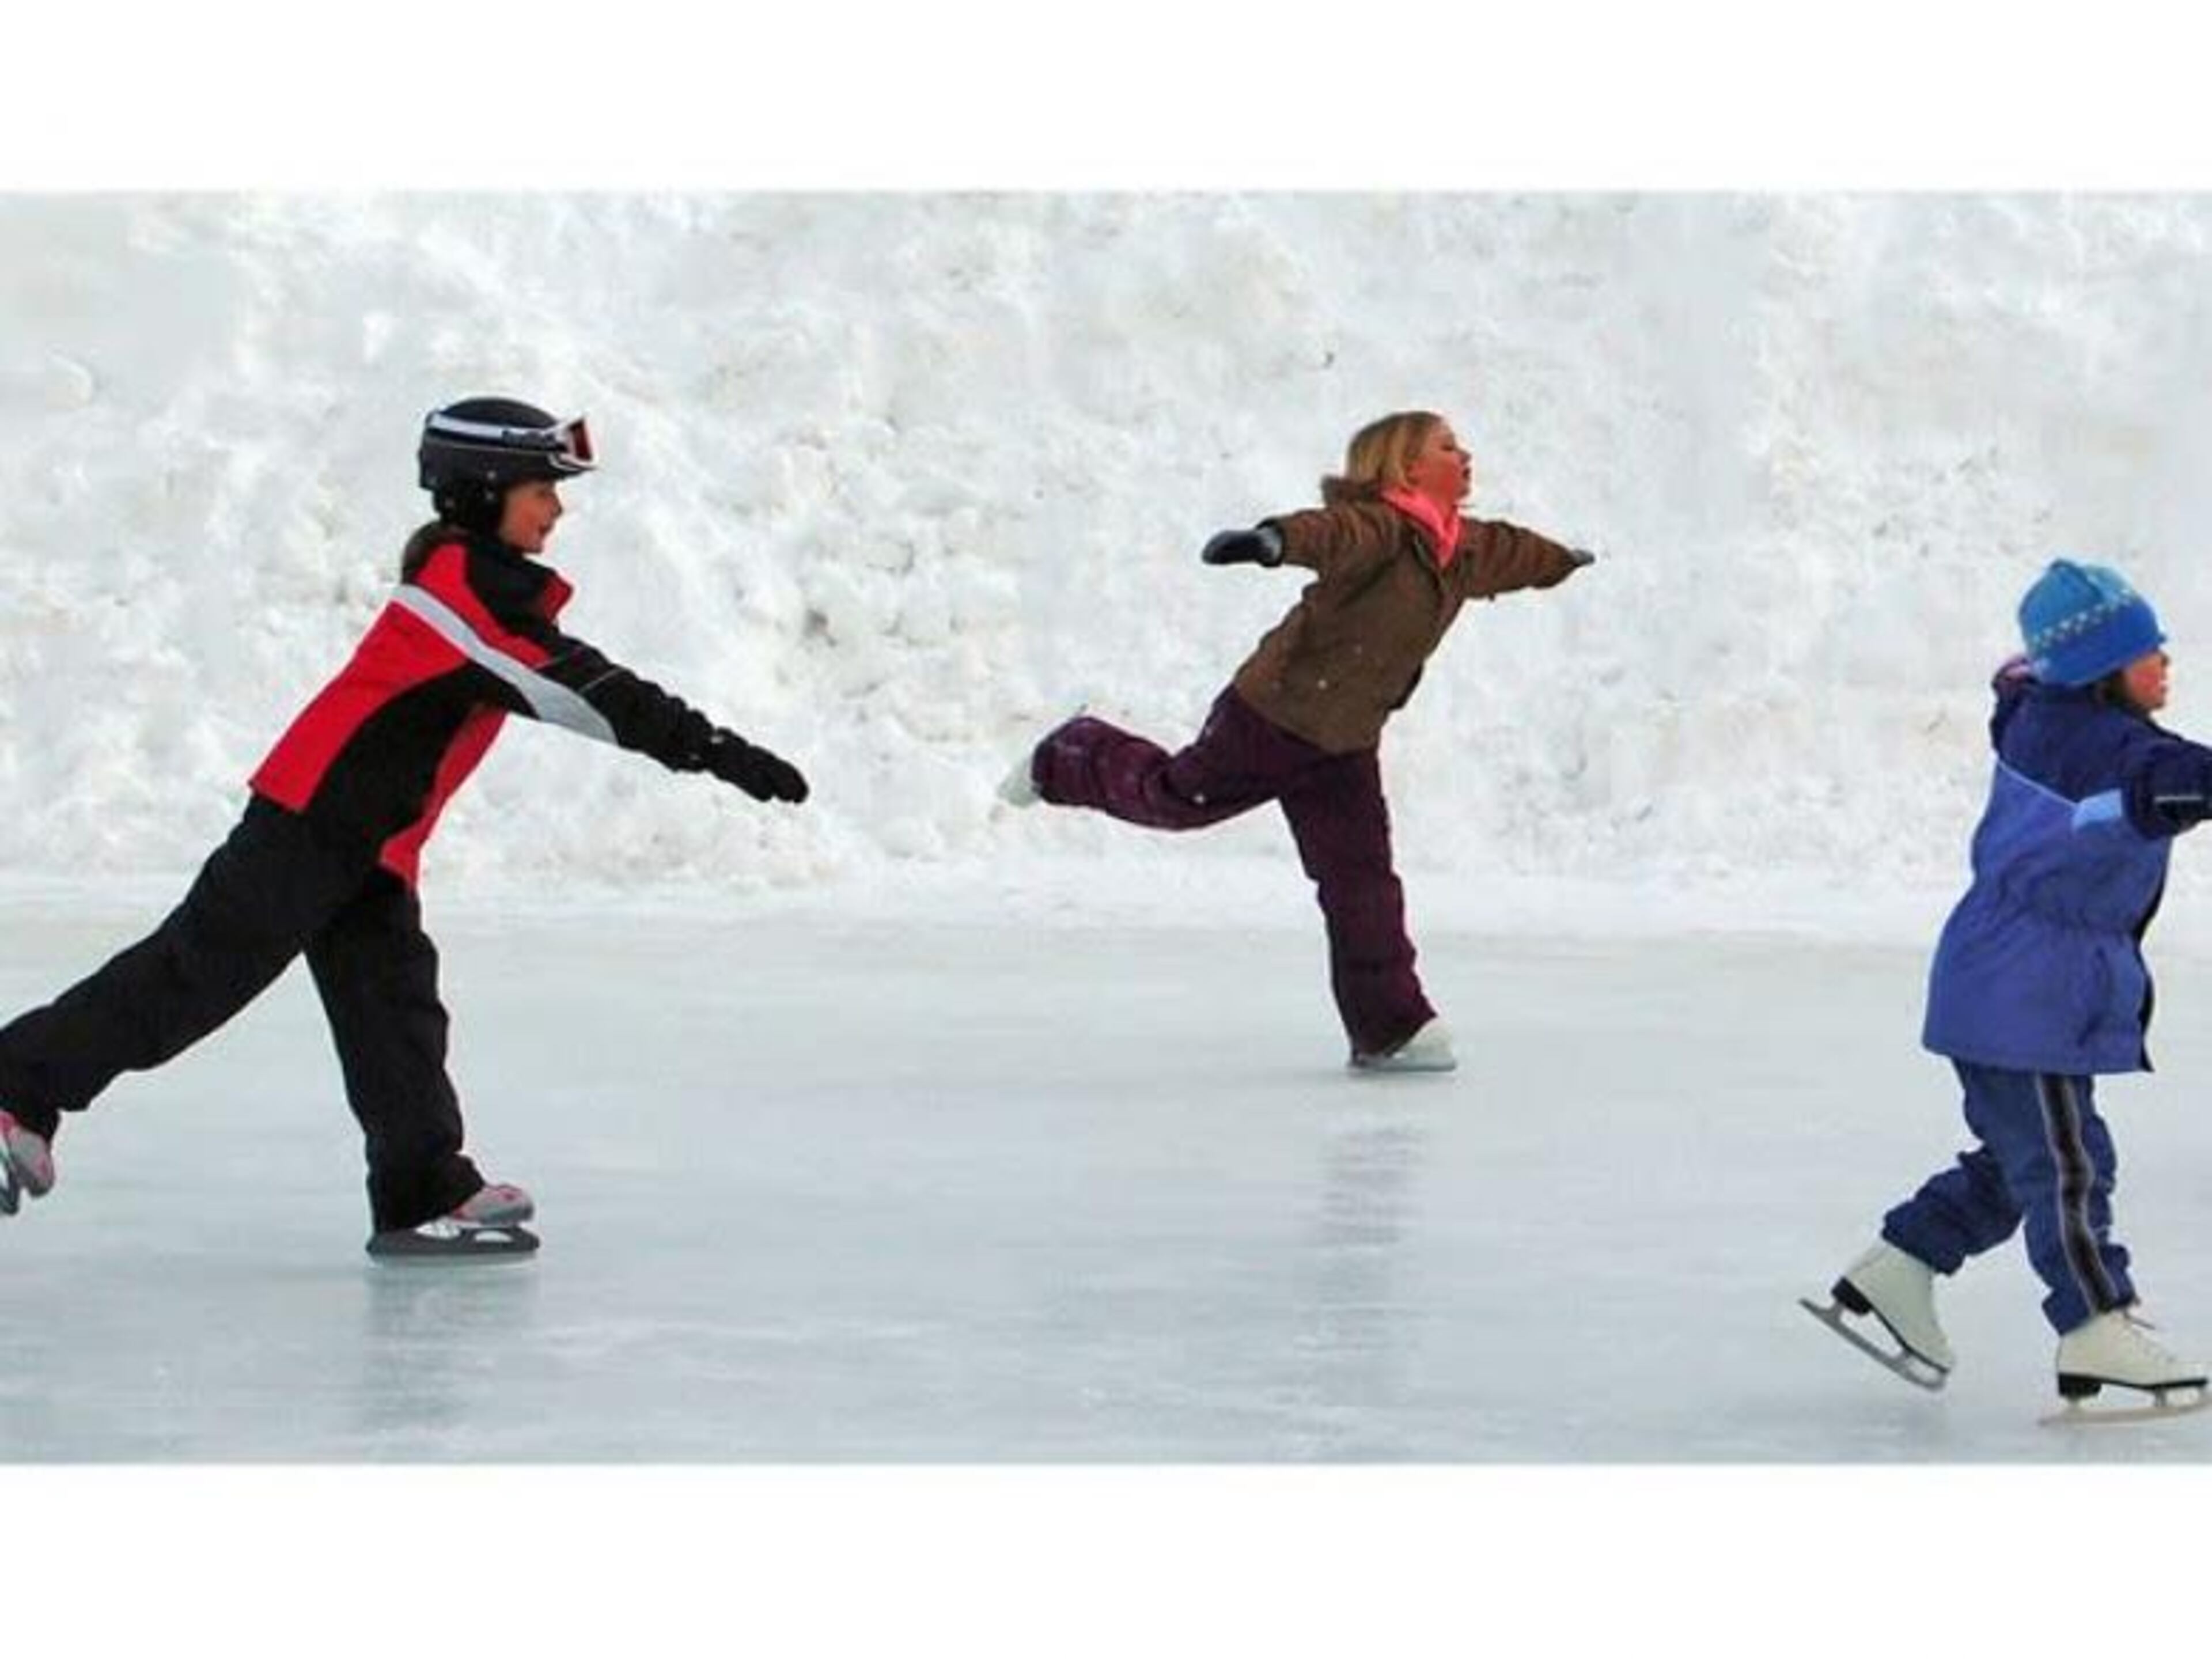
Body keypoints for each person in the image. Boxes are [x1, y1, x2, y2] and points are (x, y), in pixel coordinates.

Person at [0, 397, 809, 1258]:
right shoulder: (459, 604)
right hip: (309, 827)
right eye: (542, 488)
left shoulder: (479, 593)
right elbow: (582, 690)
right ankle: (17, 1086)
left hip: (372, 845)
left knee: (395, 1015)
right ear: (483, 490)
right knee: (192, 979)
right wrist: (714, 749)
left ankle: (422, 1189)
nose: (557, 510)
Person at [1001, 410, 1594, 1071]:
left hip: (1345, 742)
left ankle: (1390, 1027)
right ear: (1404, 468)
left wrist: (1560, 562)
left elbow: (1515, 551)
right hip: (1274, 718)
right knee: (1177, 799)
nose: (1465, 454)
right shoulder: (1381, 528)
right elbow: (1331, 534)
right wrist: (1272, 542)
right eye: (1447, 447)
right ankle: (1070, 755)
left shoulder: (1463, 548)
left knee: (1362, 883)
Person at [1810, 559, 2210, 1412]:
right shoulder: (2096, 747)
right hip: (2024, 992)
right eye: (2148, 650)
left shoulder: (2047, 717)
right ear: (2106, 668)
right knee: (2071, 1166)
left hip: (2007, 983)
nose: (2167, 659)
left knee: (2020, 1163)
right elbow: (2165, 779)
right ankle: (2097, 1321)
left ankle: (1899, 1268)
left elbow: (2025, 687)